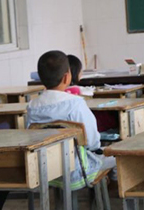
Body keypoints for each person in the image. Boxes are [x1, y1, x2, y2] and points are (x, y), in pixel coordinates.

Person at [27, 50, 116, 189]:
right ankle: (112, 193)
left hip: (45, 173)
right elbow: (92, 142)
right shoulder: (75, 103)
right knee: (119, 155)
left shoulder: (32, 106)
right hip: (78, 171)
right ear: (66, 77)